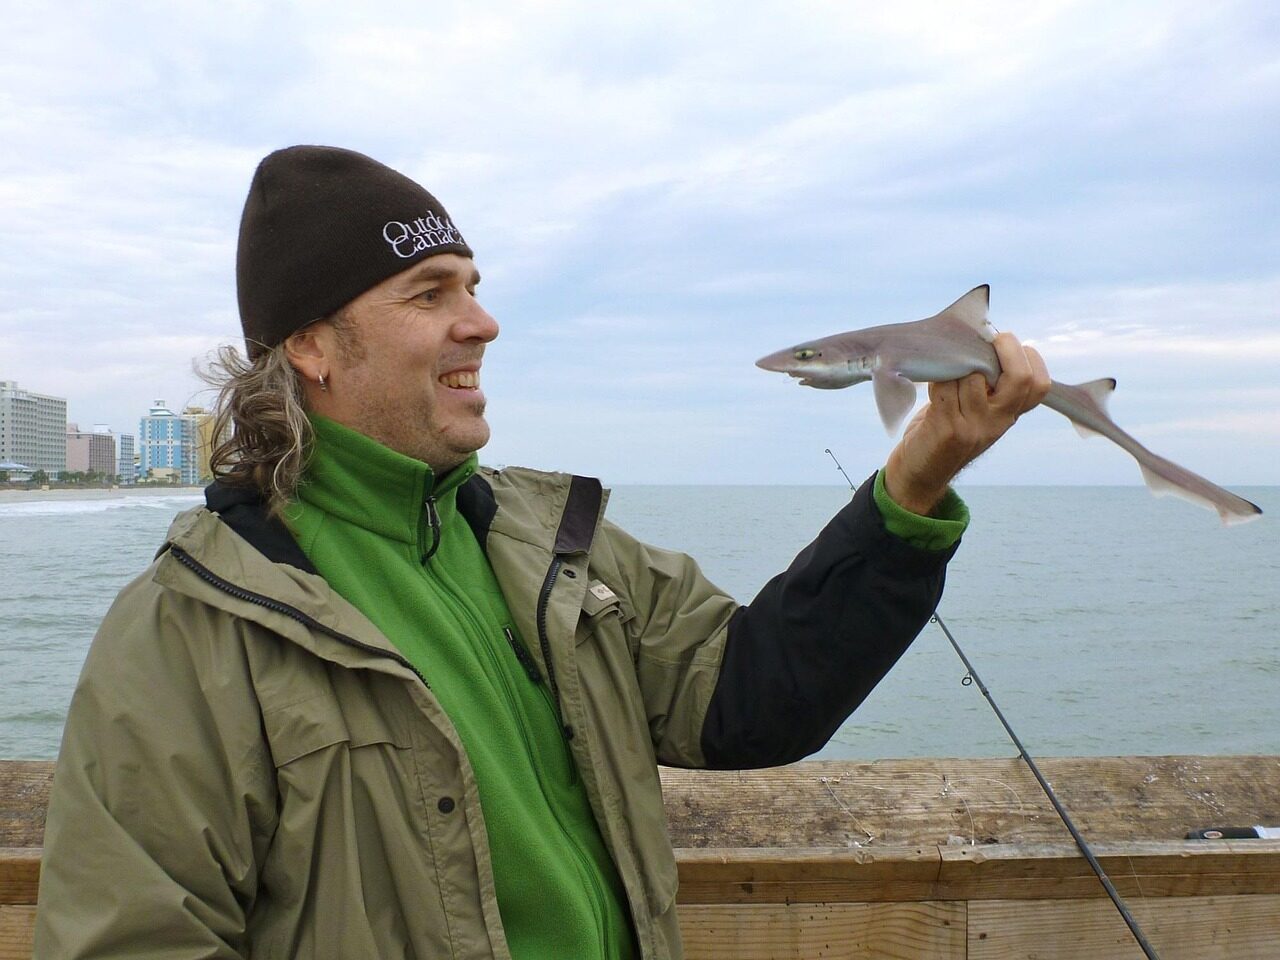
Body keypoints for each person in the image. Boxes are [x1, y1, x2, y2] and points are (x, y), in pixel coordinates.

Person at [34, 146, 1050, 959]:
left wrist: (913, 485)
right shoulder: (190, 629)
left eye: (470, 286)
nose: (482, 321)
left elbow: (749, 695)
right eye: (429, 293)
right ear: (311, 345)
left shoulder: (548, 546)